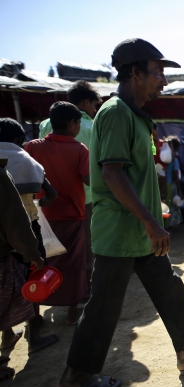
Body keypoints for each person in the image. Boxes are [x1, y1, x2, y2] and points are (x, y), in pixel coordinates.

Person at [58, 38, 184, 387]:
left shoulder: (134, 115)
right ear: (135, 73)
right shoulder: (116, 112)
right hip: (122, 231)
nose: (163, 81)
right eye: (158, 73)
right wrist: (152, 222)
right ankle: (74, 378)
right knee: (104, 305)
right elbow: (113, 174)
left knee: (168, 287)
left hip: (141, 232)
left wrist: (153, 220)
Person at [26, 102, 90, 325]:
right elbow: (88, 179)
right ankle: (72, 313)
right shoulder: (80, 149)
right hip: (72, 216)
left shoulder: (33, 146)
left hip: (39, 215)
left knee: (38, 262)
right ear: (72, 123)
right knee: (73, 264)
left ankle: (35, 316)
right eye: (78, 123)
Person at [0, 157, 59, 381]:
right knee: (28, 286)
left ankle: (7, 337)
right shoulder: (11, 168)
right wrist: (32, 253)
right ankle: (34, 337)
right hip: (6, 249)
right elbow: (14, 219)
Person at [39, 80, 101, 290]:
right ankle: (83, 289)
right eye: (94, 105)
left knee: (54, 247)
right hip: (83, 200)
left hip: (49, 200)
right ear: (85, 102)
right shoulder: (91, 128)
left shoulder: (45, 126)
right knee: (84, 247)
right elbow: (93, 172)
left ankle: (56, 286)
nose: (95, 110)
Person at [164, 136, 184, 230]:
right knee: (171, 206)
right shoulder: (174, 160)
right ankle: (168, 226)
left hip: (160, 184)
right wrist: (180, 191)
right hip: (170, 185)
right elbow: (176, 176)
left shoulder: (162, 158)